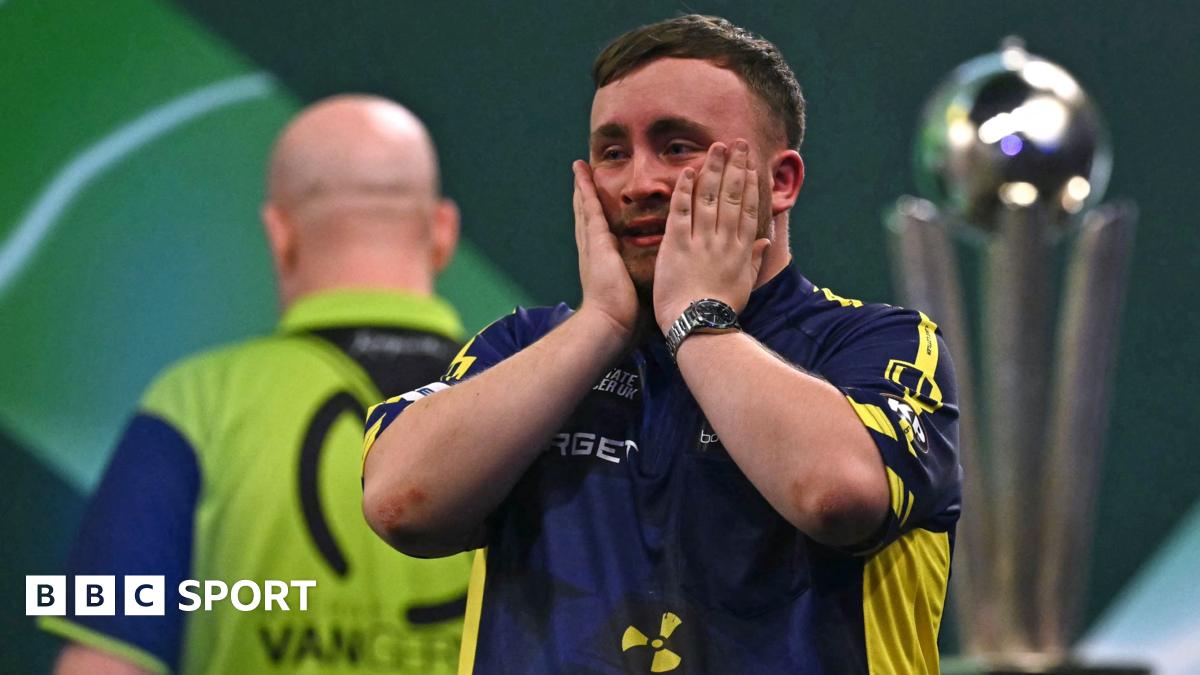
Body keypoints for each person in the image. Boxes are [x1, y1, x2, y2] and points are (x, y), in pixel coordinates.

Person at [363, 15, 961, 675]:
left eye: (677, 147)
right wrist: (600, 324)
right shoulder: (525, 344)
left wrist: (695, 318)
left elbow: (835, 495)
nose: (637, 184)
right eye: (613, 152)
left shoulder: (874, 343)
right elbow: (400, 503)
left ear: (781, 182)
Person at [41, 95, 472, 674]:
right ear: (443, 231)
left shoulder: (193, 403)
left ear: (279, 233)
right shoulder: (541, 402)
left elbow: (102, 664)